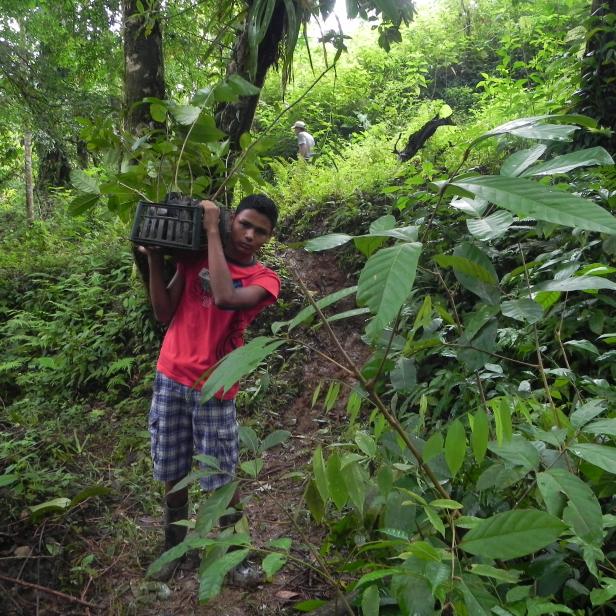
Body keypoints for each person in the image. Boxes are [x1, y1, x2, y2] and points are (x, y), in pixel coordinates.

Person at [140, 194, 280, 581]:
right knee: (172, 468)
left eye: (260, 232)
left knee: (221, 476)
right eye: (245, 224)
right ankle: (175, 549)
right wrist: (153, 258)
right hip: (171, 376)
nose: (250, 235)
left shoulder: (265, 281)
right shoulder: (194, 259)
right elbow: (164, 312)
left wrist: (212, 233)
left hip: (215, 388)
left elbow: (224, 296)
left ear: (269, 239)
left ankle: (237, 558)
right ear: (232, 220)